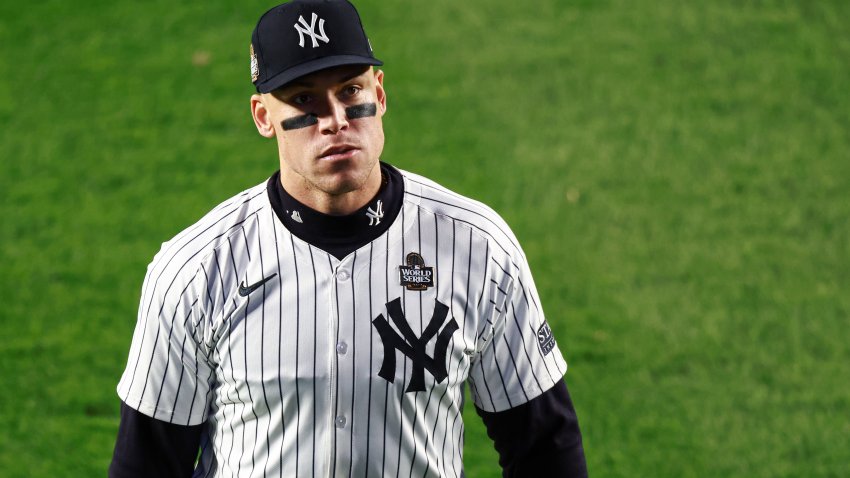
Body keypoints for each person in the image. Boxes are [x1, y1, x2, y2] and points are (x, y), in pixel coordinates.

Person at [109, 1, 587, 476]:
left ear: (379, 94)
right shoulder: (194, 271)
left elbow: (545, 450)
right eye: (303, 100)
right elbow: (147, 466)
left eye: (350, 89)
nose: (335, 119)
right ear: (262, 116)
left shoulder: (480, 250)